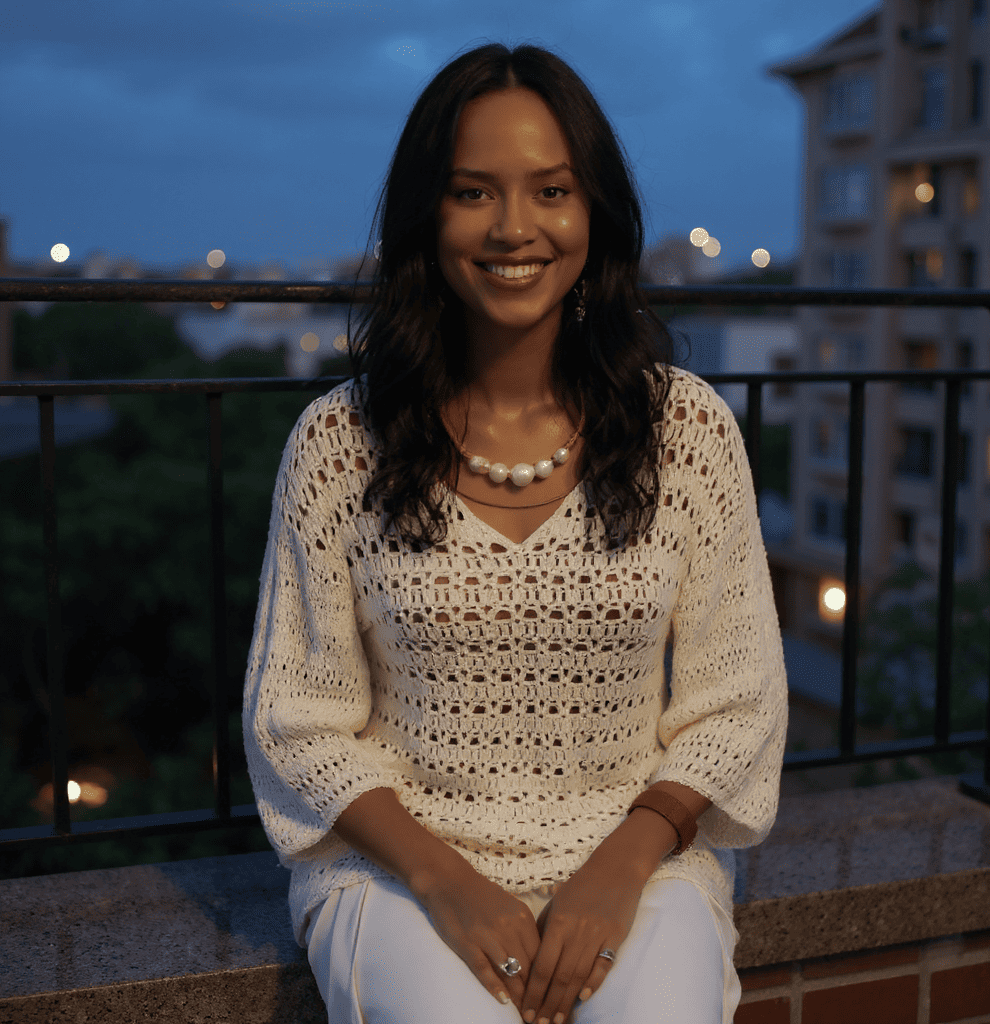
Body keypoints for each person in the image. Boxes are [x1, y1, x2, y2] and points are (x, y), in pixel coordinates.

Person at [243, 42, 787, 1024]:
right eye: (471, 192)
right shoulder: (339, 443)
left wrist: (623, 859)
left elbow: (735, 701)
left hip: (636, 859)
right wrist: (444, 879)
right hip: (401, 866)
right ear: (427, 215)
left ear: (593, 213)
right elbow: (299, 718)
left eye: (550, 190)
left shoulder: (687, 431)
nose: (513, 227)